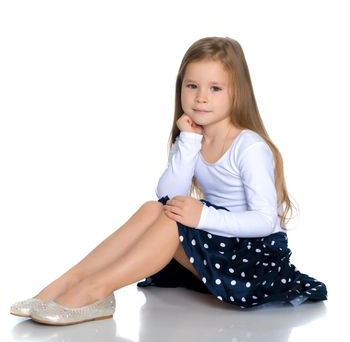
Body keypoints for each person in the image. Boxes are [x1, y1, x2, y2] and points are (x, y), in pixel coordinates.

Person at [10, 36, 327, 326]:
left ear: (237, 92)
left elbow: (263, 220)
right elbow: (167, 194)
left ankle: (96, 289)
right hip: (220, 243)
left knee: (174, 218)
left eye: (215, 88)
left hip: (254, 260)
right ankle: (69, 282)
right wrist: (188, 140)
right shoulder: (195, 137)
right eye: (192, 86)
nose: (201, 98)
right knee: (155, 208)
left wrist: (202, 216)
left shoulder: (249, 147)